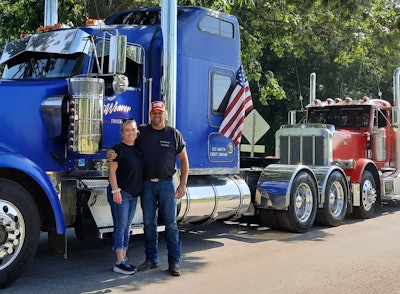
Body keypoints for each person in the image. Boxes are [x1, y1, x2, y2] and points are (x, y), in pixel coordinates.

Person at [108, 101, 189, 276]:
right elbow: (124, 144)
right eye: (154, 113)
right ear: (150, 114)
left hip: (167, 184)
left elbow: (183, 160)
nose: (157, 115)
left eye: (160, 113)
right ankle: (151, 260)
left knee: (171, 225)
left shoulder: (174, 134)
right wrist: (111, 153)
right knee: (149, 224)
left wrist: (183, 184)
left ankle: (174, 262)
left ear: (164, 114)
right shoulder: (141, 132)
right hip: (147, 186)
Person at [107, 119, 143, 275]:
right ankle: (119, 262)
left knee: (127, 227)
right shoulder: (117, 150)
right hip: (122, 193)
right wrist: (116, 191)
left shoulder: (138, 149)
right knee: (120, 227)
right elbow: (112, 172)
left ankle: (124, 258)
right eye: (127, 130)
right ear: (122, 133)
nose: (131, 133)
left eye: (133, 130)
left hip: (133, 194)